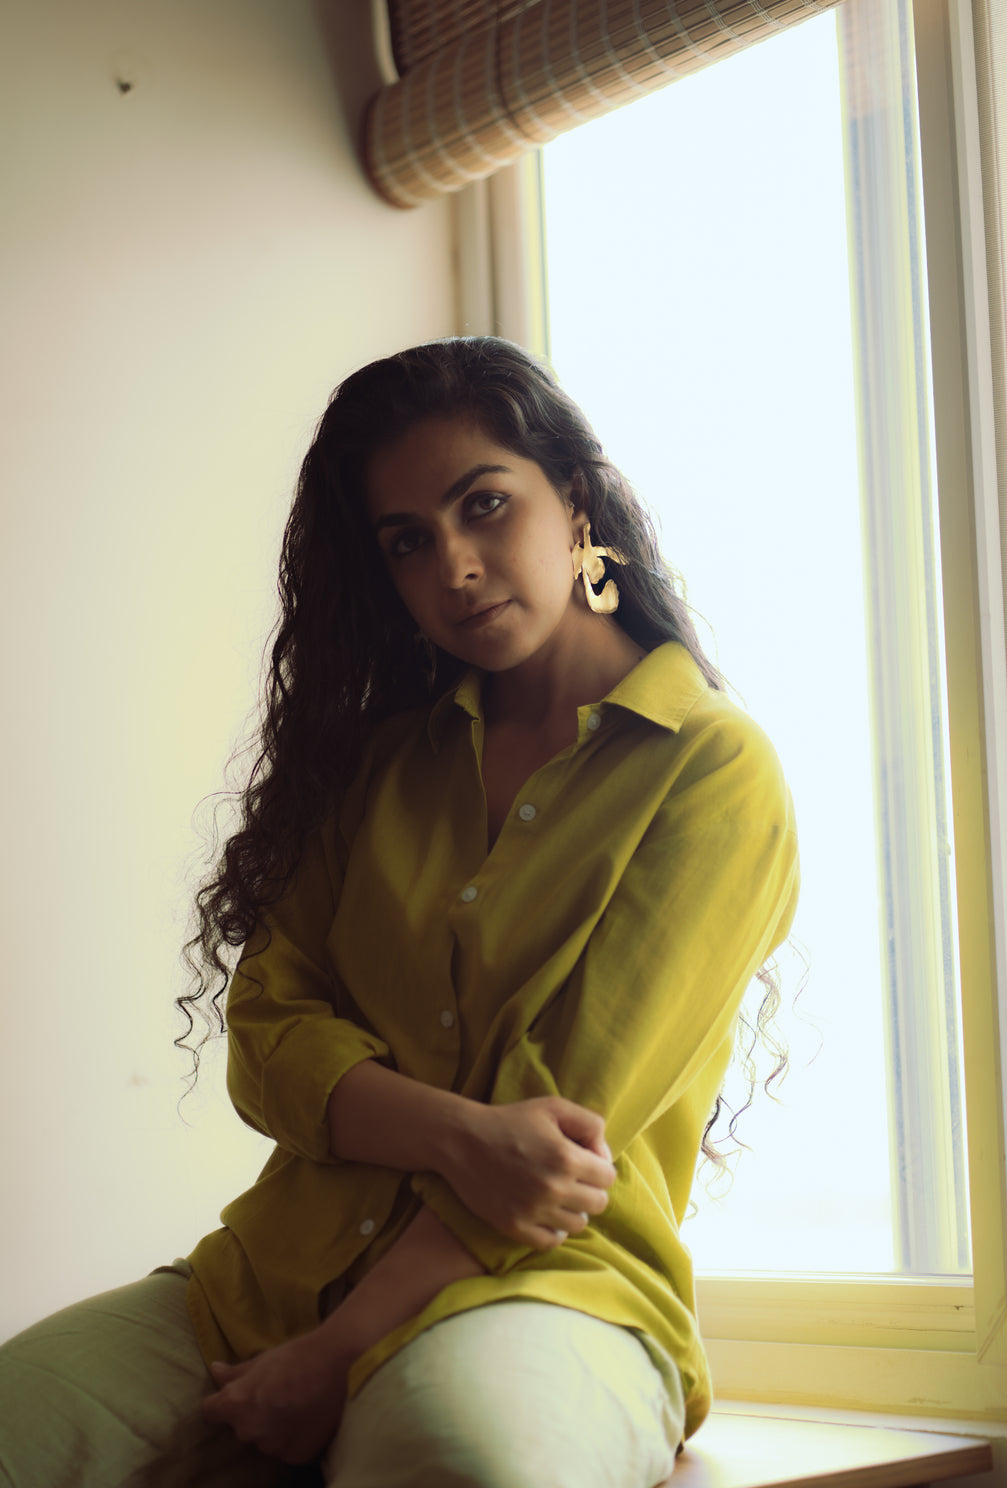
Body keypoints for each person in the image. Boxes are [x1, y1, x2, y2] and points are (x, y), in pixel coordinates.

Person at [0, 337, 799, 1488]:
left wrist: (335, 1356)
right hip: (268, 1278)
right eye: (408, 542)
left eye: (485, 506)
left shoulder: (712, 773)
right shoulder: (377, 769)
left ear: (574, 503)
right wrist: (461, 1135)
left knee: (461, 1460)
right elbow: (268, 1039)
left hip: (543, 1288)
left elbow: (557, 1144)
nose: (456, 566)